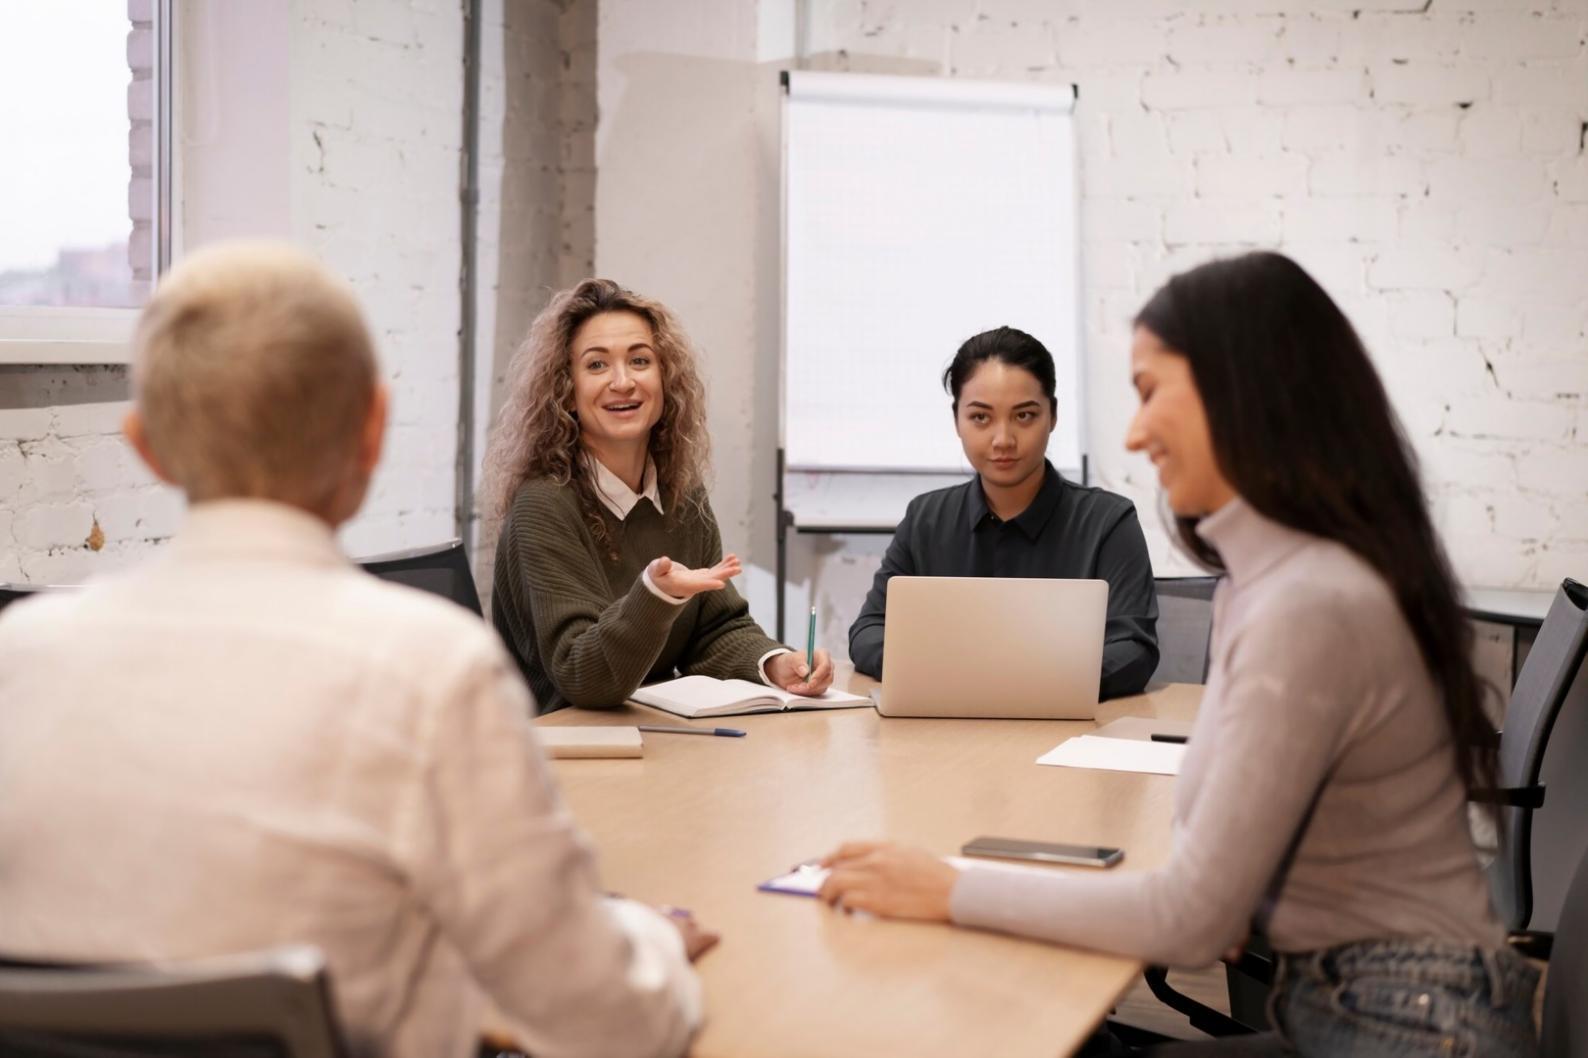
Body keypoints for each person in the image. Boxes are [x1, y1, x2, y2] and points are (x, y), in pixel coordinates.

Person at [818, 253, 1540, 1057]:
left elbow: (1190, 922)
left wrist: (948, 888)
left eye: (1153, 393)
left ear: (1245, 396)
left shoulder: (1307, 601)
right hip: (1360, 1004)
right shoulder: (1270, 581)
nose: (1134, 430)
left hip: (1409, 1027)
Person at [0, 243, 709, 1058]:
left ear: (145, 444)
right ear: (372, 433)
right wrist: (645, 939)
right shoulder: (432, 670)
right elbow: (608, 1022)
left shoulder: (17, 657)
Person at [483, 278, 832, 713]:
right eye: (596, 366)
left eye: (640, 360)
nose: (623, 381)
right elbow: (583, 678)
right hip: (567, 750)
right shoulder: (544, 504)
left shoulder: (681, 492)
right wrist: (656, 595)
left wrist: (778, 663)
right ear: (566, 391)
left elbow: (714, 629)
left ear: (665, 379)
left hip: (651, 737)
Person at [847, 326, 1159, 700]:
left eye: (1024, 416)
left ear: (1053, 416)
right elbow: (869, 630)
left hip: (1064, 728)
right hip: (946, 733)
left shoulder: (1108, 522)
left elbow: (1133, 649)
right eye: (981, 418)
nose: (1003, 440)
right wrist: (952, 672)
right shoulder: (926, 518)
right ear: (957, 420)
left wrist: (1023, 682)